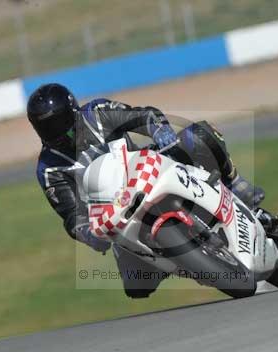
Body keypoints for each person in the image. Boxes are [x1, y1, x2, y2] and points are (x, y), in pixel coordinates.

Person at [28, 83, 265, 298]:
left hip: (145, 172)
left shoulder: (97, 113)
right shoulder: (49, 169)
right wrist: (88, 234)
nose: (55, 132)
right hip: (117, 215)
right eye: (45, 128)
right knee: (136, 286)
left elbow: (143, 116)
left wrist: (159, 130)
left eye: (58, 123)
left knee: (199, 135)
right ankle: (176, 260)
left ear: (73, 111)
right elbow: (71, 216)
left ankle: (234, 182)